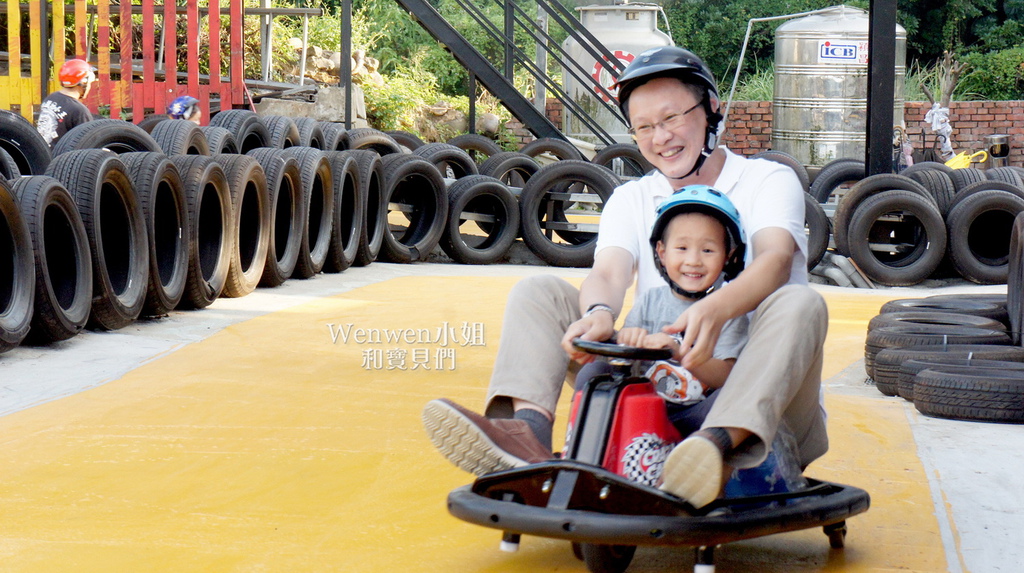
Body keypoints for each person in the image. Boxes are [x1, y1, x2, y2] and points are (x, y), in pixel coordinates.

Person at [422, 45, 828, 509]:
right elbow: (609, 272)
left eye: (672, 118)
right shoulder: (632, 198)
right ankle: (526, 437)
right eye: (644, 127)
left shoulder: (766, 180)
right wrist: (598, 313)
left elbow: (775, 259)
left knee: (801, 302)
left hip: (762, 396)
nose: (661, 138)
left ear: (712, 109)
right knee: (538, 292)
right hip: (660, 384)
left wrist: (717, 310)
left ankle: (714, 447)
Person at [36, 59, 97, 148]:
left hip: (43, 152)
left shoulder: (50, 99)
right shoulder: (79, 111)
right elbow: (88, 144)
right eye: (90, 83)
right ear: (83, 82)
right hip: (63, 156)